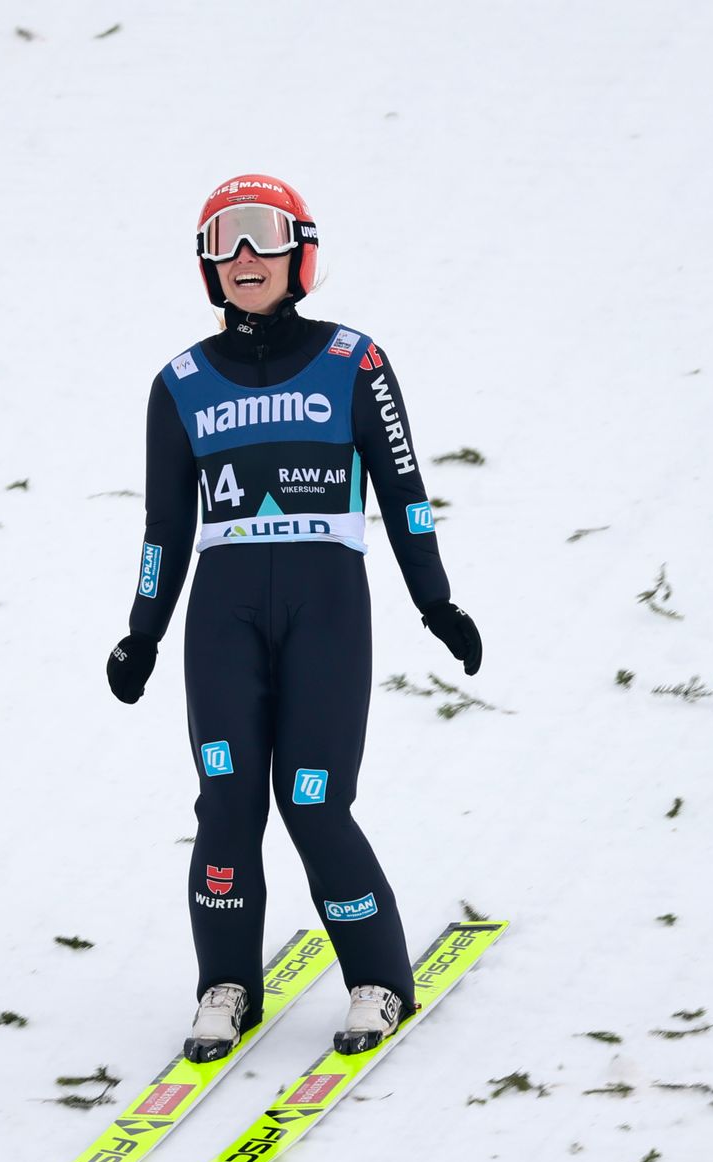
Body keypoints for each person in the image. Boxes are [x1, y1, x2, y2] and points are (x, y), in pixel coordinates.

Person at [105, 174, 482, 1063]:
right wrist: (142, 634)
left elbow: (405, 493)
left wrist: (436, 600)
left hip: (327, 613)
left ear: (298, 251)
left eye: (262, 237)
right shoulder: (180, 383)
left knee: (313, 801)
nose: (243, 257)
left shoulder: (355, 361)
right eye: (223, 239)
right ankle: (225, 983)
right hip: (222, 617)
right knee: (227, 806)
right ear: (206, 264)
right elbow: (166, 527)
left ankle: (378, 976)